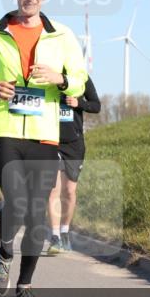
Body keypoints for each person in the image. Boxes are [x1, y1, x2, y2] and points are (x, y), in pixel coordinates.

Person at [0, 0, 87, 297]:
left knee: (36, 212)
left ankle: (25, 285)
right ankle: (5, 252)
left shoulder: (62, 35)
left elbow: (79, 80)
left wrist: (60, 78)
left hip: (45, 134)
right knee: (16, 198)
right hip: (6, 129)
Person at [47, 75, 101, 253]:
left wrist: (79, 103)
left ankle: (64, 232)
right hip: (51, 140)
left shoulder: (81, 77)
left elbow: (96, 105)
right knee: (53, 189)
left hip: (74, 144)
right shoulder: (49, 74)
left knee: (69, 191)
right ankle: (54, 237)